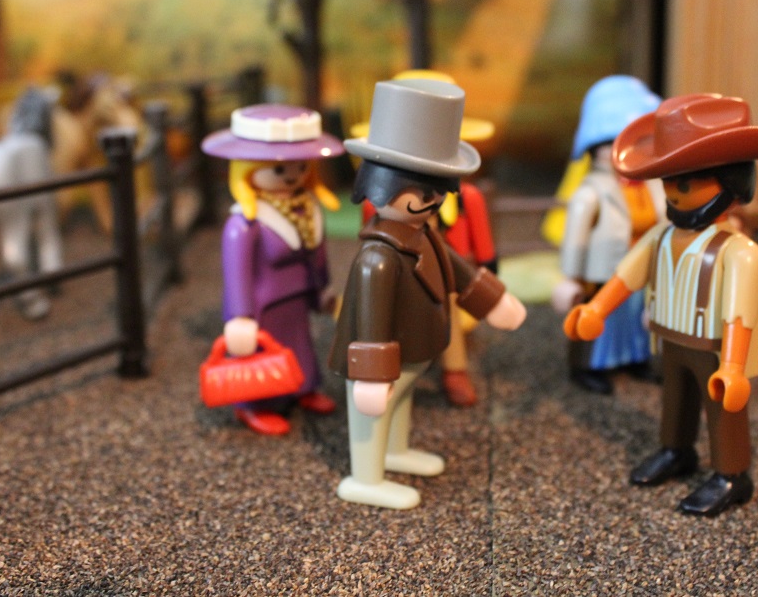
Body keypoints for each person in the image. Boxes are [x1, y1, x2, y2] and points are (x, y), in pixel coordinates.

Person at [564, 93, 758, 516]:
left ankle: (732, 475)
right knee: (675, 400)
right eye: (668, 181)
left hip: (717, 350)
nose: (672, 192)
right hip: (671, 337)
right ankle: (676, 450)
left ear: (730, 183)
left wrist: (733, 366)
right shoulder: (661, 236)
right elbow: (627, 275)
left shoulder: (739, 251)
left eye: (684, 183)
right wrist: (596, 310)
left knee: (723, 414)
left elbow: (740, 313)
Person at [330, 78, 526, 509]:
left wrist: (492, 300)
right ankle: (366, 477)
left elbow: (459, 271)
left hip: (414, 349)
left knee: (401, 403)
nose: (433, 201)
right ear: (379, 186)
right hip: (383, 359)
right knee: (372, 413)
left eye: (438, 191)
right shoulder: (377, 258)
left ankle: (394, 452)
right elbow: (371, 320)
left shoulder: (426, 235)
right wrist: (371, 373)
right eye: (423, 192)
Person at [202, 104, 345, 436]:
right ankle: (254, 405)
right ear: (248, 169)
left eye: (301, 166)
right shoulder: (245, 223)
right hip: (262, 303)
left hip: (299, 294)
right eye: (279, 169)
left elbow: (317, 254)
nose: (292, 175)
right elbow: (236, 273)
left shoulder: (306, 208)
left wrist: (323, 288)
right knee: (260, 353)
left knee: (300, 343)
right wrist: (240, 316)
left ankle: (302, 387)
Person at [552, 75, 665, 394]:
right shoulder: (592, 191)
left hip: (642, 268)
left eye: (637, 142)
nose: (627, 152)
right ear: (596, 147)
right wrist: (571, 276)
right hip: (604, 271)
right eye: (615, 143)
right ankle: (588, 365)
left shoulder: (653, 185)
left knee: (636, 318)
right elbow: (575, 237)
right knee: (600, 317)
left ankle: (635, 358)